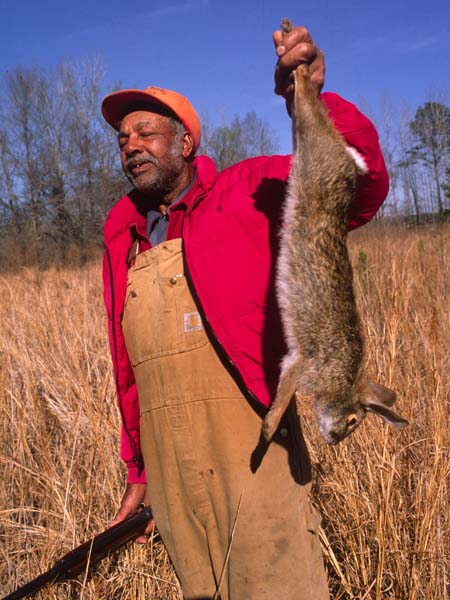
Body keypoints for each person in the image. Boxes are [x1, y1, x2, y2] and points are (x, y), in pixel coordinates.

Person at [101, 24, 389, 600]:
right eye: (123, 138)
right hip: (170, 477)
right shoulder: (121, 234)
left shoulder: (248, 191)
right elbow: (128, 369)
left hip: (254, 459)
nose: (130, 145)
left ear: (186, 143)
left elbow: (357, 185)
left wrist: (311, 99)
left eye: (146, 132)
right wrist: (141, 470)